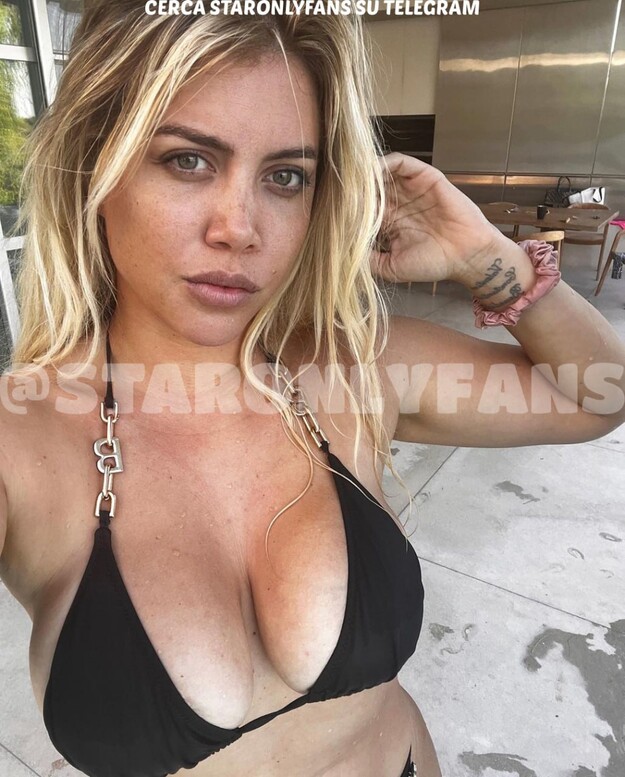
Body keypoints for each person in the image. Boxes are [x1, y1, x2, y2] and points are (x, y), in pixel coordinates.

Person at [0, 4, 624, 777]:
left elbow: (596, 395)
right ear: (97, 167)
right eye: (187, 160)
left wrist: (483, 254)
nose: (240, 226)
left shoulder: (352, 369)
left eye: (284, 177)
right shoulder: (21, 438)